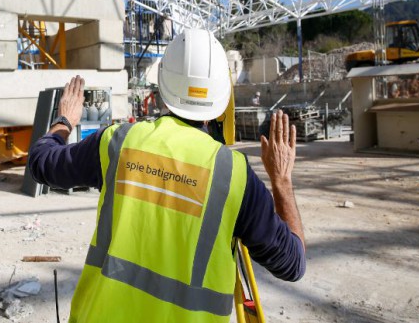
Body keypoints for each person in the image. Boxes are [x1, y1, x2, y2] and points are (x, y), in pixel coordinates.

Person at [28, 29, 305, 322]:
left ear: (162, 85)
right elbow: (292, 264)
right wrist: (282, 181)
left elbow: (42, 163)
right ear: (222, 97)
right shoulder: (234, 174)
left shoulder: (118, 143)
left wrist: (65, 121)